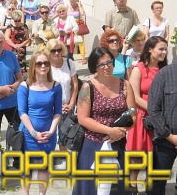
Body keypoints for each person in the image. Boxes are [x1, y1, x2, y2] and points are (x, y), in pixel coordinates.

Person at [72, 47, 136, 195]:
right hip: (92, 145)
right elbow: (83, 118)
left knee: (117, 189)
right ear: (94, 66)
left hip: (117, 144)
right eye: (101, 64)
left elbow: (133, 113)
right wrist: (109, 131)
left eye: (109, 62)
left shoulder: (125, 85)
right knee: (91, 188)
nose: (106, 67)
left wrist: (120, 132)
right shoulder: (88, 87)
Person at [17, 51, 62, 195]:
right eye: (39, 63)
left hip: (48, 133)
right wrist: (34, 133)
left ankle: (42, 193)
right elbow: (22, 112)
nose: (43, 66)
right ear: (33, 66)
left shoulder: (56, 86)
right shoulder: (25, 86)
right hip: (29, 134)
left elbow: (58, 112)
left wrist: (51, 130)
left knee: (44, 167)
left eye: (46, 63)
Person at [126, 36, 167, 187]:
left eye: (165, 49)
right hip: (143, 118)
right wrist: (154, 110)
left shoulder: (165, 70)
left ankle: (150, 187)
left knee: (155, 156)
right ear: (150, 49)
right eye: (160, 49)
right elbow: (134, 96)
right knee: (137, 158)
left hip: (161, 119)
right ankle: (132, 186)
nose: (164, 52)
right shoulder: (139, 69)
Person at [147, 49, 177, 195]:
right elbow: (153, 109)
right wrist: (169, 136)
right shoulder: (164, 74)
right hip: (165, 140)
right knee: (156, 184)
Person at [46, 39, 78, 154]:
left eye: (59, 50)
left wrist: (71, 103)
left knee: (65, 137)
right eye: (53, 50)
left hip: (67, 107)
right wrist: (58, 107)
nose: (56, 53)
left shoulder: (69, 63)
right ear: (48, 52)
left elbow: (74, 84)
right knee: (50, 135)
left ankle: (65, 161)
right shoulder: (46, 66)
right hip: (51, 108)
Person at [4, 9, 30, 74]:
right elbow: (6, 38)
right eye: (16, 21)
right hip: (12, 49)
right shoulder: (10, 26)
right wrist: (15, 46)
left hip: (22, 49)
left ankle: (22, 81)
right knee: (13, 65)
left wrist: (21, 45)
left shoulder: (24, 26)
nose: (17, 22)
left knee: (22, 66)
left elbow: (28, 38)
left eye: (19, 20)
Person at [66, 0, 87, 64]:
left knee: (80, 42)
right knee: (71, 42)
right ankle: (71, 56)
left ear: (76, 1)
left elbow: (83, 13)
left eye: (73, 2)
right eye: (70, 2)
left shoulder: (79, 6)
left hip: (78, 26)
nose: (72, 3)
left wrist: (80, 5)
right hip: (70, 27)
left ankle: (83, 57)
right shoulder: (67, 7)